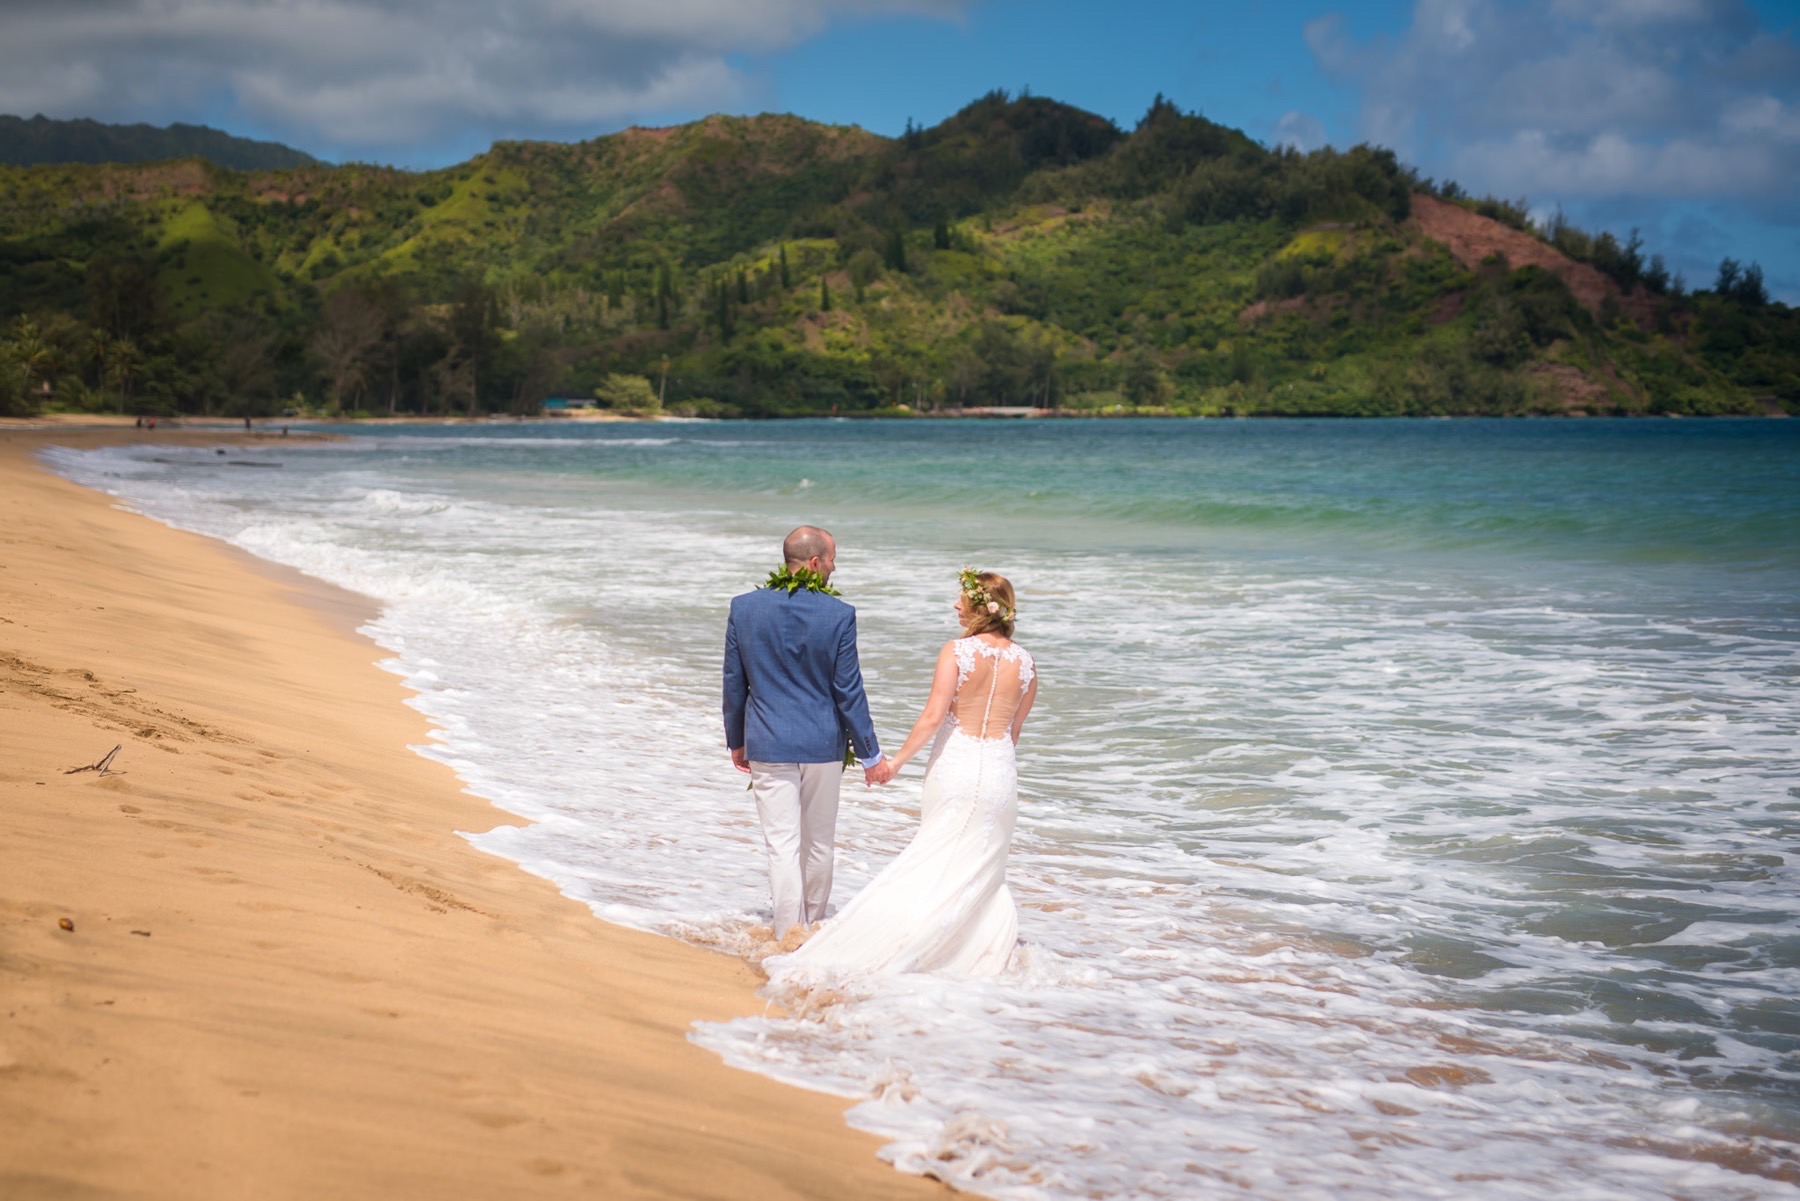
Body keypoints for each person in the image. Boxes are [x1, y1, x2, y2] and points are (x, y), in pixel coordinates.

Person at [769, 569, 1037, 980]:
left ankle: (913, 943)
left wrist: (893, 763)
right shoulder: (1027, 663)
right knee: (984, 869)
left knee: (932, 858)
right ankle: (977, 956)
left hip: (956, 768)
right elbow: (1012, 733)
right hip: (1001, 776)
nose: (955, 605)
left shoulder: (956, 652)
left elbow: (932, 718)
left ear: (980, 606)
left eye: (961, 598)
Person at [724, 526, 891, 941]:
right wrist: (871, 755)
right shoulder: (839, 615)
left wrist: (736, 739)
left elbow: (733, 681)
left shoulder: (744, 608)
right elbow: (848, 690)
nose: (834, 567)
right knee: (819, 843)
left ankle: (787, 933)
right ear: (815, 563)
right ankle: (813, 929)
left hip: (767, 740)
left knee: (782, 845)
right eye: (833, 560)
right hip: (822, 744)